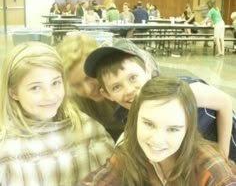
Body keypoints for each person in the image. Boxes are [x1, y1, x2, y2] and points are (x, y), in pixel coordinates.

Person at [84, 38, 236, 162]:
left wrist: (223, 156)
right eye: (117, 87)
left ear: (148, 71)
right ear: (107, 94)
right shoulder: (124, 115)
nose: (129, 90)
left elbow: (225, 102)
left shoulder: (182, 92)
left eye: (133, 77)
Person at [77, 76, 236, 186]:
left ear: (188, 129)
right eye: (148, 124)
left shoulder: (210, 168)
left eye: (173, 129)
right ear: (135, 119)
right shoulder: (130, 153)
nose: (157, 140)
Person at [0, 42, 115, 186]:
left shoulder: (88, 127)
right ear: (13, 92)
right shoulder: (5, 147)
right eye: (35, 87)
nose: (50, 96)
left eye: (55, 83)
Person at [56, 34, 124, 141]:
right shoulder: (73, 104)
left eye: (89, 77)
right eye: (76, 85)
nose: (88, 90)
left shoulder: (129, 86)